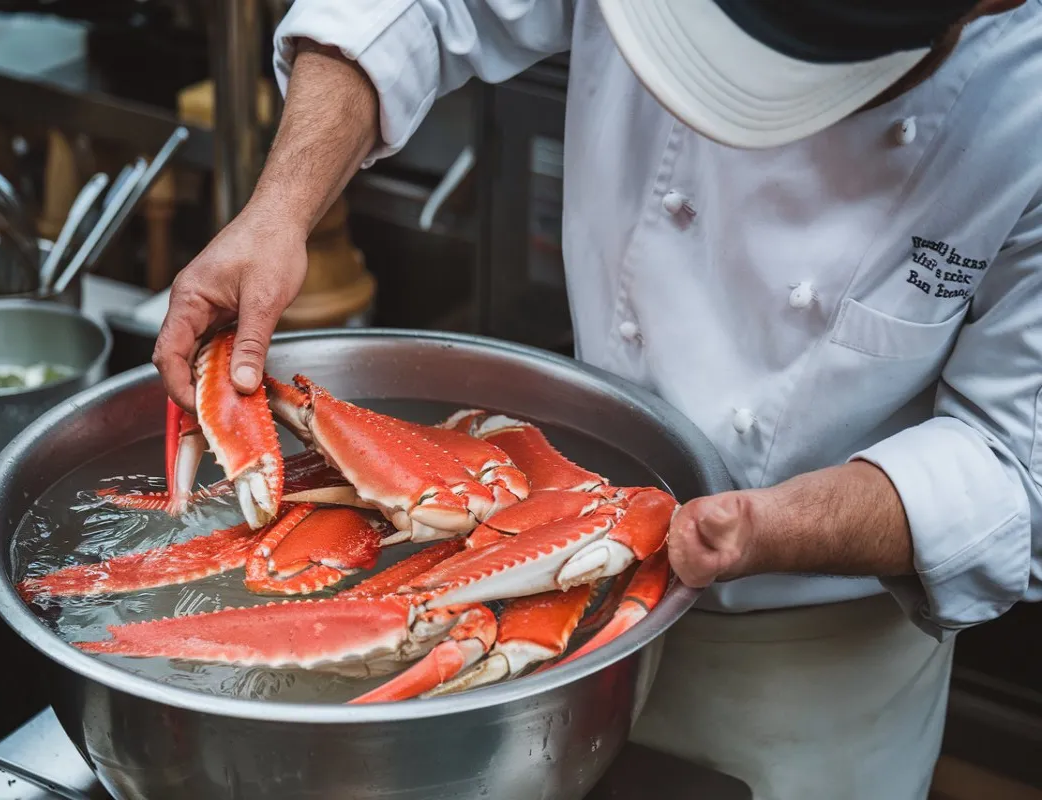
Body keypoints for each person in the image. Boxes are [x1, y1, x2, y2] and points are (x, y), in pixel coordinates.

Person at [153, 1, 1042, 797]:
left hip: (816, 667)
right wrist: (279, 208)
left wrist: (765, 530)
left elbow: (1014, 468)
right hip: (543, 558)